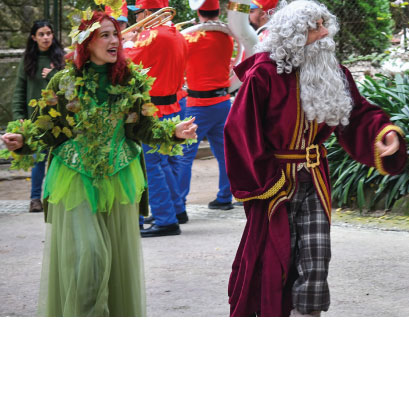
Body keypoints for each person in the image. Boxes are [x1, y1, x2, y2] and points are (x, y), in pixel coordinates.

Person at [1, 11, 197, 316]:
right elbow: (47, 130)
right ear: (87, 42)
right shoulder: (64, 81)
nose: (113, 40)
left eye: (115, 34)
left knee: (116, 264)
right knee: (90, 258)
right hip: (75, 176)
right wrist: (23, 140)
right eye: (104, 34)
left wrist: (173, 130)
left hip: (118, 177)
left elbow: (142, 127)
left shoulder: (130, 80)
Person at [223, 0, 407, 317]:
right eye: (316, 27)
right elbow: (240, 131)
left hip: (315, 178)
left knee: (316, 257)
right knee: (277, 256)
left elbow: (358, 114)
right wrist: (267, 179)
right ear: (294, 34)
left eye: (325, 25)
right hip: (274, 181)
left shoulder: (332, 73)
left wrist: (384, 133)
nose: (325, 33)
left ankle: (307, 318)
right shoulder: (263, 75)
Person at [126, 0, 190, 237]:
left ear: (146, 12)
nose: (136, 18)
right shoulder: (177, 35)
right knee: (166, 163)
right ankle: (176, 209)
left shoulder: (150, 36)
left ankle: (165, 219)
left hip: (153, 109)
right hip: (171, 105)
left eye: (138, 12)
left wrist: (126, 42)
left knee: (152, 167)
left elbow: (125, 62)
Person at [173, 0, 235, 211]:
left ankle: (179, 205)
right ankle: (225, 197)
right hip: (223, 102)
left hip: (198, 104)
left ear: (198, 11)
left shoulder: (189, 37)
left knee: (184, 155)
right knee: (224, 153)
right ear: (218, 11)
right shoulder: (228, 36)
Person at [11, 20, 65, 213]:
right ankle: (35, 198)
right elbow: (19, 91)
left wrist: (53, 75)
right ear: (34, 37)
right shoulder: (28, 60)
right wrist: (19, 116)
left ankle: (53, 196)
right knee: (38, 159)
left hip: (59, 119)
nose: (46, 37)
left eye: (49, 33)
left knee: (57, 159)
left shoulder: (61, 58)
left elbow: (69, 87)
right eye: (41, 34)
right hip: (35, 120)